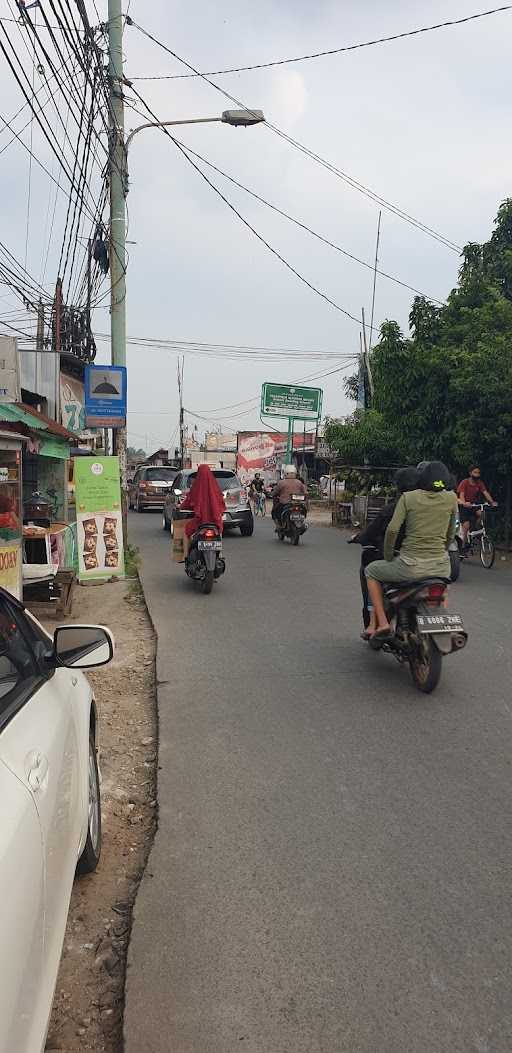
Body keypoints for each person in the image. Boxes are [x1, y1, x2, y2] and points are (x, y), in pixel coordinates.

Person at [365, 461, 458, 644]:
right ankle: (442, 623)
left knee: (371, 570)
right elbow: (451, 532)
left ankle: (382, 623)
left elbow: (392, 530)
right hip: (441, 566)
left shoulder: (408, 498)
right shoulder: (452, 498)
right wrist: (443, 550)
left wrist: (389, 555)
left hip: (409, 566)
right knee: (442, 589)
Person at [349, 467, 420, 637]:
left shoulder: (393, 509)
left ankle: (377, 623)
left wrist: (386, 552)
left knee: (371, 571)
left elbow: (386, 532)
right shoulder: (431, 508)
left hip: (403, 562)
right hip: (434, 563)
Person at [179, 464, 226, 539]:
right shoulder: (215, 487)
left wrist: (181, 507)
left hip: (200, 522)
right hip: (215, 522)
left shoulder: (196, 487)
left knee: (184, 530)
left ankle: (182, 550)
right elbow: (221, 502)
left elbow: (188, 501)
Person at [457, 466, 496, 547]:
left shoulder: (480, 483)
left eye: (478, 473)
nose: (477, 474)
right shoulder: (465, 482)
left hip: (474, 505)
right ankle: (462, 546)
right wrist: (464, 503)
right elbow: (461, 495)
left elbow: (485, 493)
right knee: (466, 526)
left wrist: (492, 502)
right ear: (470, 473)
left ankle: (476, 528)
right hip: (464, 506)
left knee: (482, 514)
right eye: (475, 472)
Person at [272, 464, 307, 528]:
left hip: (285, 503)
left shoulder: (282, 482)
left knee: (275, 511)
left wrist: (274, 495)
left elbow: (275, 492)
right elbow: (305, 493)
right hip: (298, 503)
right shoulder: (299, 482)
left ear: (285, 474)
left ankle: (280, 525)